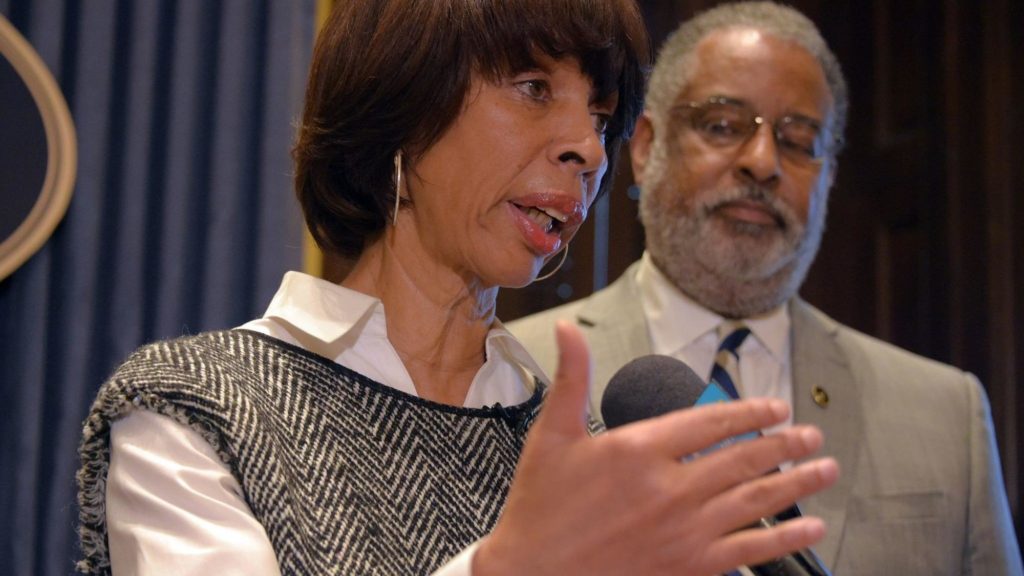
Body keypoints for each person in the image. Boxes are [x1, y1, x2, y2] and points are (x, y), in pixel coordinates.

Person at [76, 1, 841, 575]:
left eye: (602, 116)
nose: (587, 147)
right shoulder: (194, 408)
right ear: (403, 108)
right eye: (534, 87)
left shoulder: (586, 462)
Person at [509, 2, 1023, 574]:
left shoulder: (947, 414)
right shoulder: (515, 368)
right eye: (723, 126)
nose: (762, 162)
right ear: (648, 145)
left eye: (799, 141)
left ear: (829, 176)